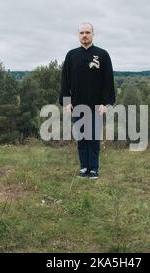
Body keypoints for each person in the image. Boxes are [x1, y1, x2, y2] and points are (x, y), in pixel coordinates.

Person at [59, 22, 116, 180]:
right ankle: (84, 168)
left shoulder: (102, 55)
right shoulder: (71, 55)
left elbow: (108, 81)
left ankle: (94, 169)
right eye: (82, 33)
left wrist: (106, 103)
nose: (84, 35)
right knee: (81, 137)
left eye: (87, 32)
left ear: (93, 34)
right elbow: (65, 80)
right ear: (78, 35)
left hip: (96, 106)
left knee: (93, 137)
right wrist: (66, 101)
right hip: (76, 105)